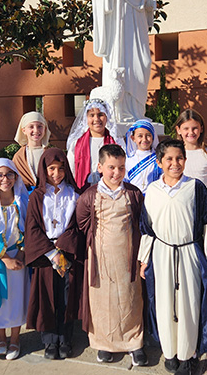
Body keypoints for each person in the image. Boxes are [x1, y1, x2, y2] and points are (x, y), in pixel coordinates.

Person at [138, 139, 207, 375]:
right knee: (165, 304)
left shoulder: (196, 188)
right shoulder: (152, 191)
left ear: (185, 160)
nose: (175, 163)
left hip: (188, 254)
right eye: (169, 159)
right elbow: (147, 228)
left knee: (189, 304)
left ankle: (188, 355)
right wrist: (144, 259)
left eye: (179, 158)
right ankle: (171, 351)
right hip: (162, 253)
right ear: (159, 162)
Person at [76, 144, 147, 366]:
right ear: (99, 167)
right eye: (111, 168)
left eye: (121, 168)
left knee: (130, 298)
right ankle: (104, 344)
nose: (116, 173)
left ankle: (134, 343)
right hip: (100, 258)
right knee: (101, 300)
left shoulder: (133, 193)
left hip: (127, 256)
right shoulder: (90, 195)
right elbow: (82, 221)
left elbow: (140, 221)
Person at [25, 148, 83, 360]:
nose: (56, 174)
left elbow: (78, 225)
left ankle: (65, 339)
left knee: (66, 297)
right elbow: (32, 227)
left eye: (60, 169)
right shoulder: (37, 197)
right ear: (44, 170)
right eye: (51, 169)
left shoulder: (74, 194)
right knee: (48, 298)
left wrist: (64, 248)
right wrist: (51, 252)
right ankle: (50, 341)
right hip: (46, 256)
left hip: (67, 253)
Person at [92, 0, 155, 122]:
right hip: (118, 31)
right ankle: (120, 113)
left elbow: (144, 3)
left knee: (144, 63)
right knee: (122, 69)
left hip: (137, 26)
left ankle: (137, 112)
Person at [0, 158, 30, 360]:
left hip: (19, 258)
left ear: (16, 176)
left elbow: (31, 229)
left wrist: (21, 254)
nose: (5, 179)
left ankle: (15, 339)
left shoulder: (23, 202)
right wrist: (5, 259)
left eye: (9, 174)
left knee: (16, 299)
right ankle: (1, 338)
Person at [67, 98, 121, 190]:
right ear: (86, 118)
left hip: (110, 190)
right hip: (84, 190)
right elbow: (71, 170)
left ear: (107, 116)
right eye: (92, 115)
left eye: (101, 115)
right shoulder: (77, 144)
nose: (96, 119)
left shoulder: (115, 142)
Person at [174, 108, 207, 196]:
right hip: (181, 199)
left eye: (195, 128)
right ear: (178, 130)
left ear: (201, 129)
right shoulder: (174, 154)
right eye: (186, 128)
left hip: (204, 202)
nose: (191, 132)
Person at [13, 111, 51, 192]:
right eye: (31, 127)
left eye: (40, 126)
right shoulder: (19, 157)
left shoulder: (51, 154)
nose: (36, 130)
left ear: (45, 129)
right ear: (23, 130)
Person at [125, 119, 161, 194]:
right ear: (133, 138)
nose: (144, 139)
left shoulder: (158, 157)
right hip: (133, 198)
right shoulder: (128, 159)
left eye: (148, 135)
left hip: (153, 197)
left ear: (153, 137)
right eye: (140, 136)